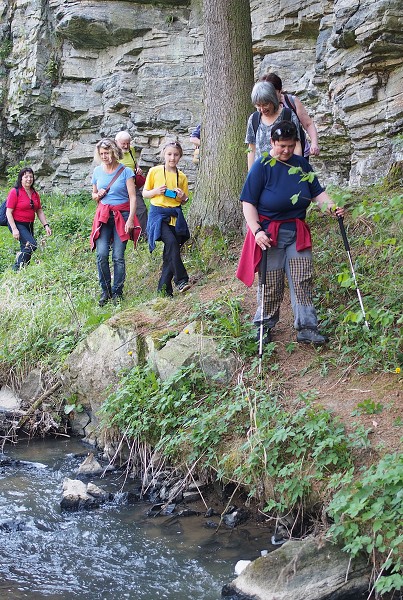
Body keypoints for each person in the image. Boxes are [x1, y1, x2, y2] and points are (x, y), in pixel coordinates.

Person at [237, 121, 344, 345]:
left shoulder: (301, 165)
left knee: (302, 279)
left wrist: (332, 207)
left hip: (296, 232)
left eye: (290, 145)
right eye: (281, 145)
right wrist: (256, 230)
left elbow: (318, 194)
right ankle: (263, 326)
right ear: (273, 142)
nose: (286, 150)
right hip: (270, 235)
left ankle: (307, 327)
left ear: (296, 143)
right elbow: (248, 203)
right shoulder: (262, 165)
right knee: (271, 281)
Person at [90, 138, 140, 306]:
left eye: (107, 153)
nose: (105, 156)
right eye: (102, 153)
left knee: (118, 256)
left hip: (122, 215)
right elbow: (94, 195)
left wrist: (131, 219)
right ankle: (106, 291)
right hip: (104, 217)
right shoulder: (97, 171)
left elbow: (133, 197)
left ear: (114, 152)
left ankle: (118, 291)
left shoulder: (125, 171)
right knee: (101, 254)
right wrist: (99, 195)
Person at [143, 140, 191, 297]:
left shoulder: (182, 177)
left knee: (170, 252)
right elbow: (145, 193)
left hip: (175, 216)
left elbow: (184, 200)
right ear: (164, 154)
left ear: (180, 157)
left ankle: (164, 290)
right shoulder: (155, 171)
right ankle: (181, 280)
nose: (172, 158)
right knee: (171, 243)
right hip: (158, 215)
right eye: (169, 154)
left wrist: (183, 197)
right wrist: (156, 191)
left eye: (176, 155)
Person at [261, 72, 320, 159]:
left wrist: (314, 143)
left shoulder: (291, 101)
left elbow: (308, 124)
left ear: (280, 91)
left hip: (296, 151)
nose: (269, 97)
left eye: (272, 93)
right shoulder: (263, 106)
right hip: (274, 154)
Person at [245, 81, 302, 170]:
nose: (262, 109)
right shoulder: (254, 119)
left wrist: (296, 172)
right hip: (261, 175)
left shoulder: (288, 115)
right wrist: (251, 176)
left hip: (284, 173)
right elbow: (251, 150)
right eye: (258, 105)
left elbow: (297, 146)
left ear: (273, 100)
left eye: (265, 104)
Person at [5, 167, 52, 271]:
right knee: (32, 244)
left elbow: (39, 210)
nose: (29, 179)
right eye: (26, 176)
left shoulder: (34, 193)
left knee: (26, 249)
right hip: (17, 223)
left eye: (31, 176)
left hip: (29, 225)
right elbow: (8, 212)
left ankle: (22, 271)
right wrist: (14, 229)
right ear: (21, 178)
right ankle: (16, 268)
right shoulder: (15, 192)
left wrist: (46, 225)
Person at [115, 130, 148, 237]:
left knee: (141, 210)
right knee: (118, 212)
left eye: (128, 143)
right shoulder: (112, 153)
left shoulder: (131, 150)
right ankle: (118, 236)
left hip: (133, 186)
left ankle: (143, 236)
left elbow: (134, 163)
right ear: (116, 142)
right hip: (119, 188)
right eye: (123, 143)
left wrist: (138, 169)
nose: (126, 146)